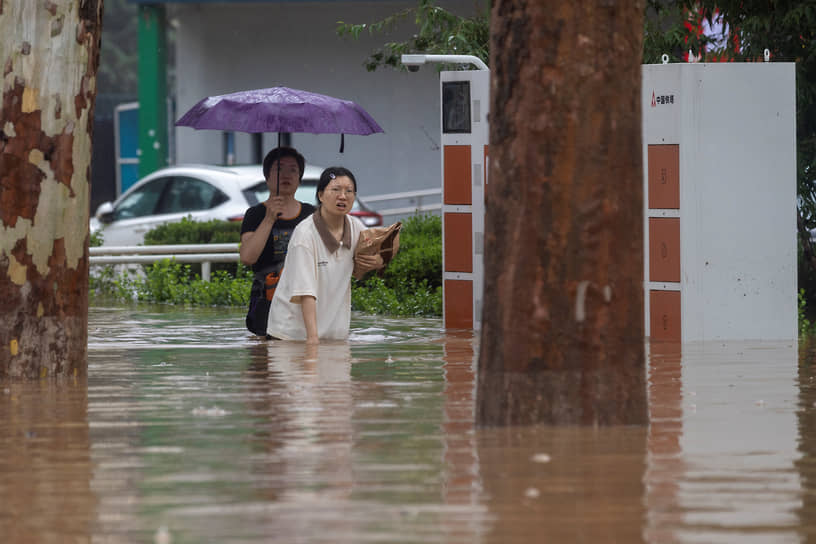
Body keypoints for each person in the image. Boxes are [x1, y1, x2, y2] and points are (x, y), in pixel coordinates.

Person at [266, 166, 383, 344]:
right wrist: (312, 342)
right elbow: (306, 293)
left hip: (333, 335)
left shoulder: (356, 227)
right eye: (335, 190)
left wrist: (377, 261)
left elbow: (379, 249)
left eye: (349, 191)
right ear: (320, 195)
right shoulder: (305, 235)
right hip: (291, 336)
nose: (343, 196)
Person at [240, 147, 316, 336]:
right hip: (267, 302)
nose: (286, 175)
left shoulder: (311, 215)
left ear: (299, 179)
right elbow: (248, 257)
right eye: (279, 169)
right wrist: (269, 219)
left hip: (302, 299)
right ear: (267, 176)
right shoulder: (255, 214)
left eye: (293, 170)